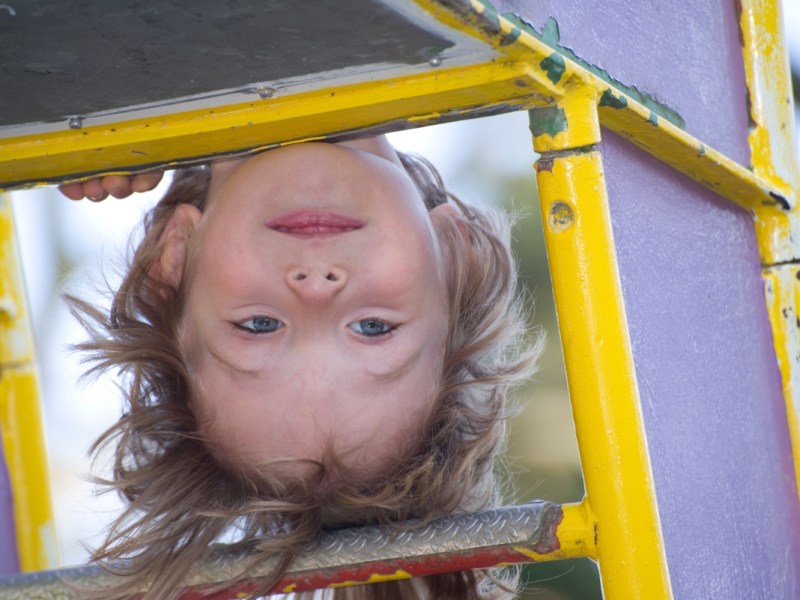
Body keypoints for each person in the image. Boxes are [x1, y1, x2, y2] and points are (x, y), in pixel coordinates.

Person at [62, 136, 542, 600]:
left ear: (173, 262)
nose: (316, 287)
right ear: (456, 255)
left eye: (260, 324)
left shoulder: (119, 109)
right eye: (373, 327)